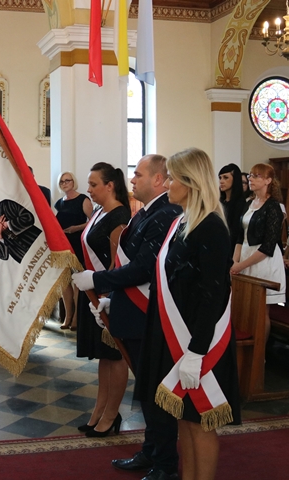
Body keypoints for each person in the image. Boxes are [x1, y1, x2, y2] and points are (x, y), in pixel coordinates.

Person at [73, 155, 182, 480]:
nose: (132, 180)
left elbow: (143, 268)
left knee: (155, 393)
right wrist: (112, 300)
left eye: (139, 174)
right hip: (133, 312)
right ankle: (151, 452)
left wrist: (97, 280)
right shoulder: (146, 212)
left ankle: (165, 464)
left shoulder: (165, 214)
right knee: (146, 391)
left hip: (147, 315)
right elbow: (129, 263)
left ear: (158, 179)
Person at [136, 148, 240, 480]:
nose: (167, 184)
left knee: (200, 421)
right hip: (177, 337)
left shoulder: (211, 227)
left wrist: (196, 351)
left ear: (191, 181)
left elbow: (212, 295)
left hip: (198, 341)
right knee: (184, 417)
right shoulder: (181, 222)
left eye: (172, 178)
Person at [72, 162, 131, 438]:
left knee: (115, 355)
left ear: (110, 186)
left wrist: (106, 296)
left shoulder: (119, 216)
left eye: (93, 184)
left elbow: (118, 263)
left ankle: (111, 414)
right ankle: (99, 410)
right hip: (95, 293)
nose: (89, 189)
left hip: (110, 295)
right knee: (104, 357)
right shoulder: (98, 212)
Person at [231, 163, 286, 341]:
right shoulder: (249, 203)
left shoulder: (274, 207)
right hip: (245, 256)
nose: (251, 179)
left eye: (256, 176)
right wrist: (234, 262)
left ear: (268, 180)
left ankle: (260, 352)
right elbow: (240, 236)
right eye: (250, 175)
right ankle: (245, 350)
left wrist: (240, 265)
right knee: (243, 308)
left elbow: (268, 246)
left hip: (264, 261)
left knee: (261, 311)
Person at [54, 171, 93, 330]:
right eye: (62, 181)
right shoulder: (59, 203)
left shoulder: (83, 199)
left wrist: (76, 228)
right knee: (64, 281)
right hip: (63, 245)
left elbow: (93, 221)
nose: (65, 183)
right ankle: (68, 316)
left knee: (77, 280)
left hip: (77, 242)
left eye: (67, 180)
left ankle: (76, 317)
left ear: (73, 181)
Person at [218, 163, 247, 252]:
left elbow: (236, 232)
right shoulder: (219, 202)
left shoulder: (240, 203)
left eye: (225, 177)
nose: (221, 181)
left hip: (231, 247)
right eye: (220, 178)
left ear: (235, 180)